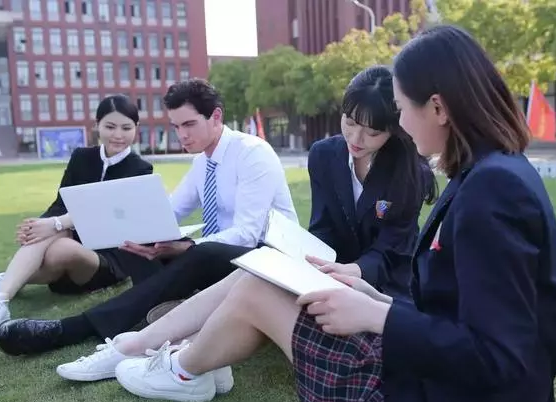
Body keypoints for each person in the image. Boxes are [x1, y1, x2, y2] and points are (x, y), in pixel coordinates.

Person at [110, 25, 556, 402]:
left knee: (255, 290)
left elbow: (500, 358)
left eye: (399, 110)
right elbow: (465, 314)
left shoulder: (491, 190)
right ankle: (173, 360)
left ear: (437, 108)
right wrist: (373, 298)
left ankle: (180, 369)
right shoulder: (489, 173)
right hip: (439, 376)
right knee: (259, 276)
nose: (400, 124)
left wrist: (377, 314)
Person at [51, 65, 437, 385]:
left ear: (394, 128)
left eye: (372, 131)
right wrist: (310, 260)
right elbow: (322, 227)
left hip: (373, 285)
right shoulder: (326, 154)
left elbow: (392, 251)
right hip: (322, 267)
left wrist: (352, 270)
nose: (356, 137)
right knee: (253, 271)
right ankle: (142, 347)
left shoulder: (409, 172)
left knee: (246, 273)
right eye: (349, 123)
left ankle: (166, 354)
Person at [0, 78, 297, 356]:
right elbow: (168, 211)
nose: (182, 135)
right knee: (136, 239)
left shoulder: (252, 153)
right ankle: (165, 308)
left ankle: (75, 327)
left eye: (189, 124)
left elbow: (246, 233)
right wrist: (142, 232)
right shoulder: (202, 163)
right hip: (221, 259)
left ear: (216, 116)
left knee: (201, 251)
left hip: (265, 258)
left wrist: (186, 246)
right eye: (176, 126)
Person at [0, 95, 154, 334]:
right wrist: (40, 225)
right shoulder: (81, 157)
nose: (118, 135)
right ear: (97, 125)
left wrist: (56, 223)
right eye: (110, 127)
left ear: (136, 128)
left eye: (126, 128)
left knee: (61, 245)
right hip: (69, 244)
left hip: (109, 257)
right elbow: (60, 203)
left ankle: (5, 279)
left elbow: (109, 214)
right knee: (53, 239)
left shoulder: (141, 169)